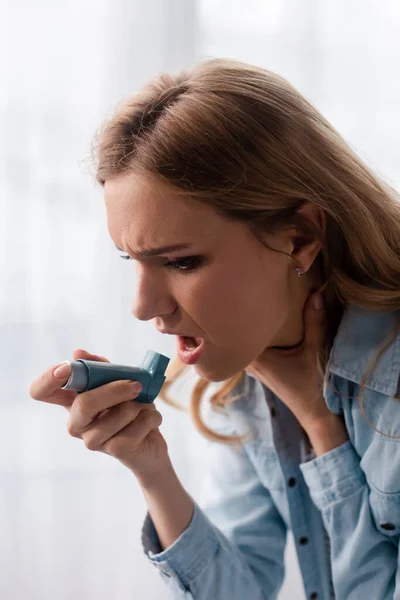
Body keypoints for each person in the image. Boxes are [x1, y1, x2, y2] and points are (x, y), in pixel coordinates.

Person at [29, 58, 400, 599]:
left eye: (181, 262)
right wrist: (152, 471)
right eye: (130, 260)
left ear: (298, 238)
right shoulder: (247, 373)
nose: (141, 306)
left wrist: (321, 427)